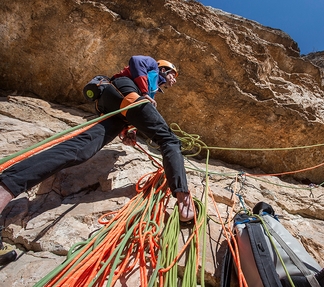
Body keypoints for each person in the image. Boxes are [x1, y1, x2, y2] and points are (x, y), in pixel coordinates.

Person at [0, 55, 195, 263]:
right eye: (173, 74)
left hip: (117, 107)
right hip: (123, 90)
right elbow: (136, 61)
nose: (174, 80)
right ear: (164, 69)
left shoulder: (150, 86)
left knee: (80, 151)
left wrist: (129, 131)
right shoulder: (152, 66)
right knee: (170, 140)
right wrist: (146, 93)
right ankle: (183, 197)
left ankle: (7, 185)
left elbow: (130, 109)